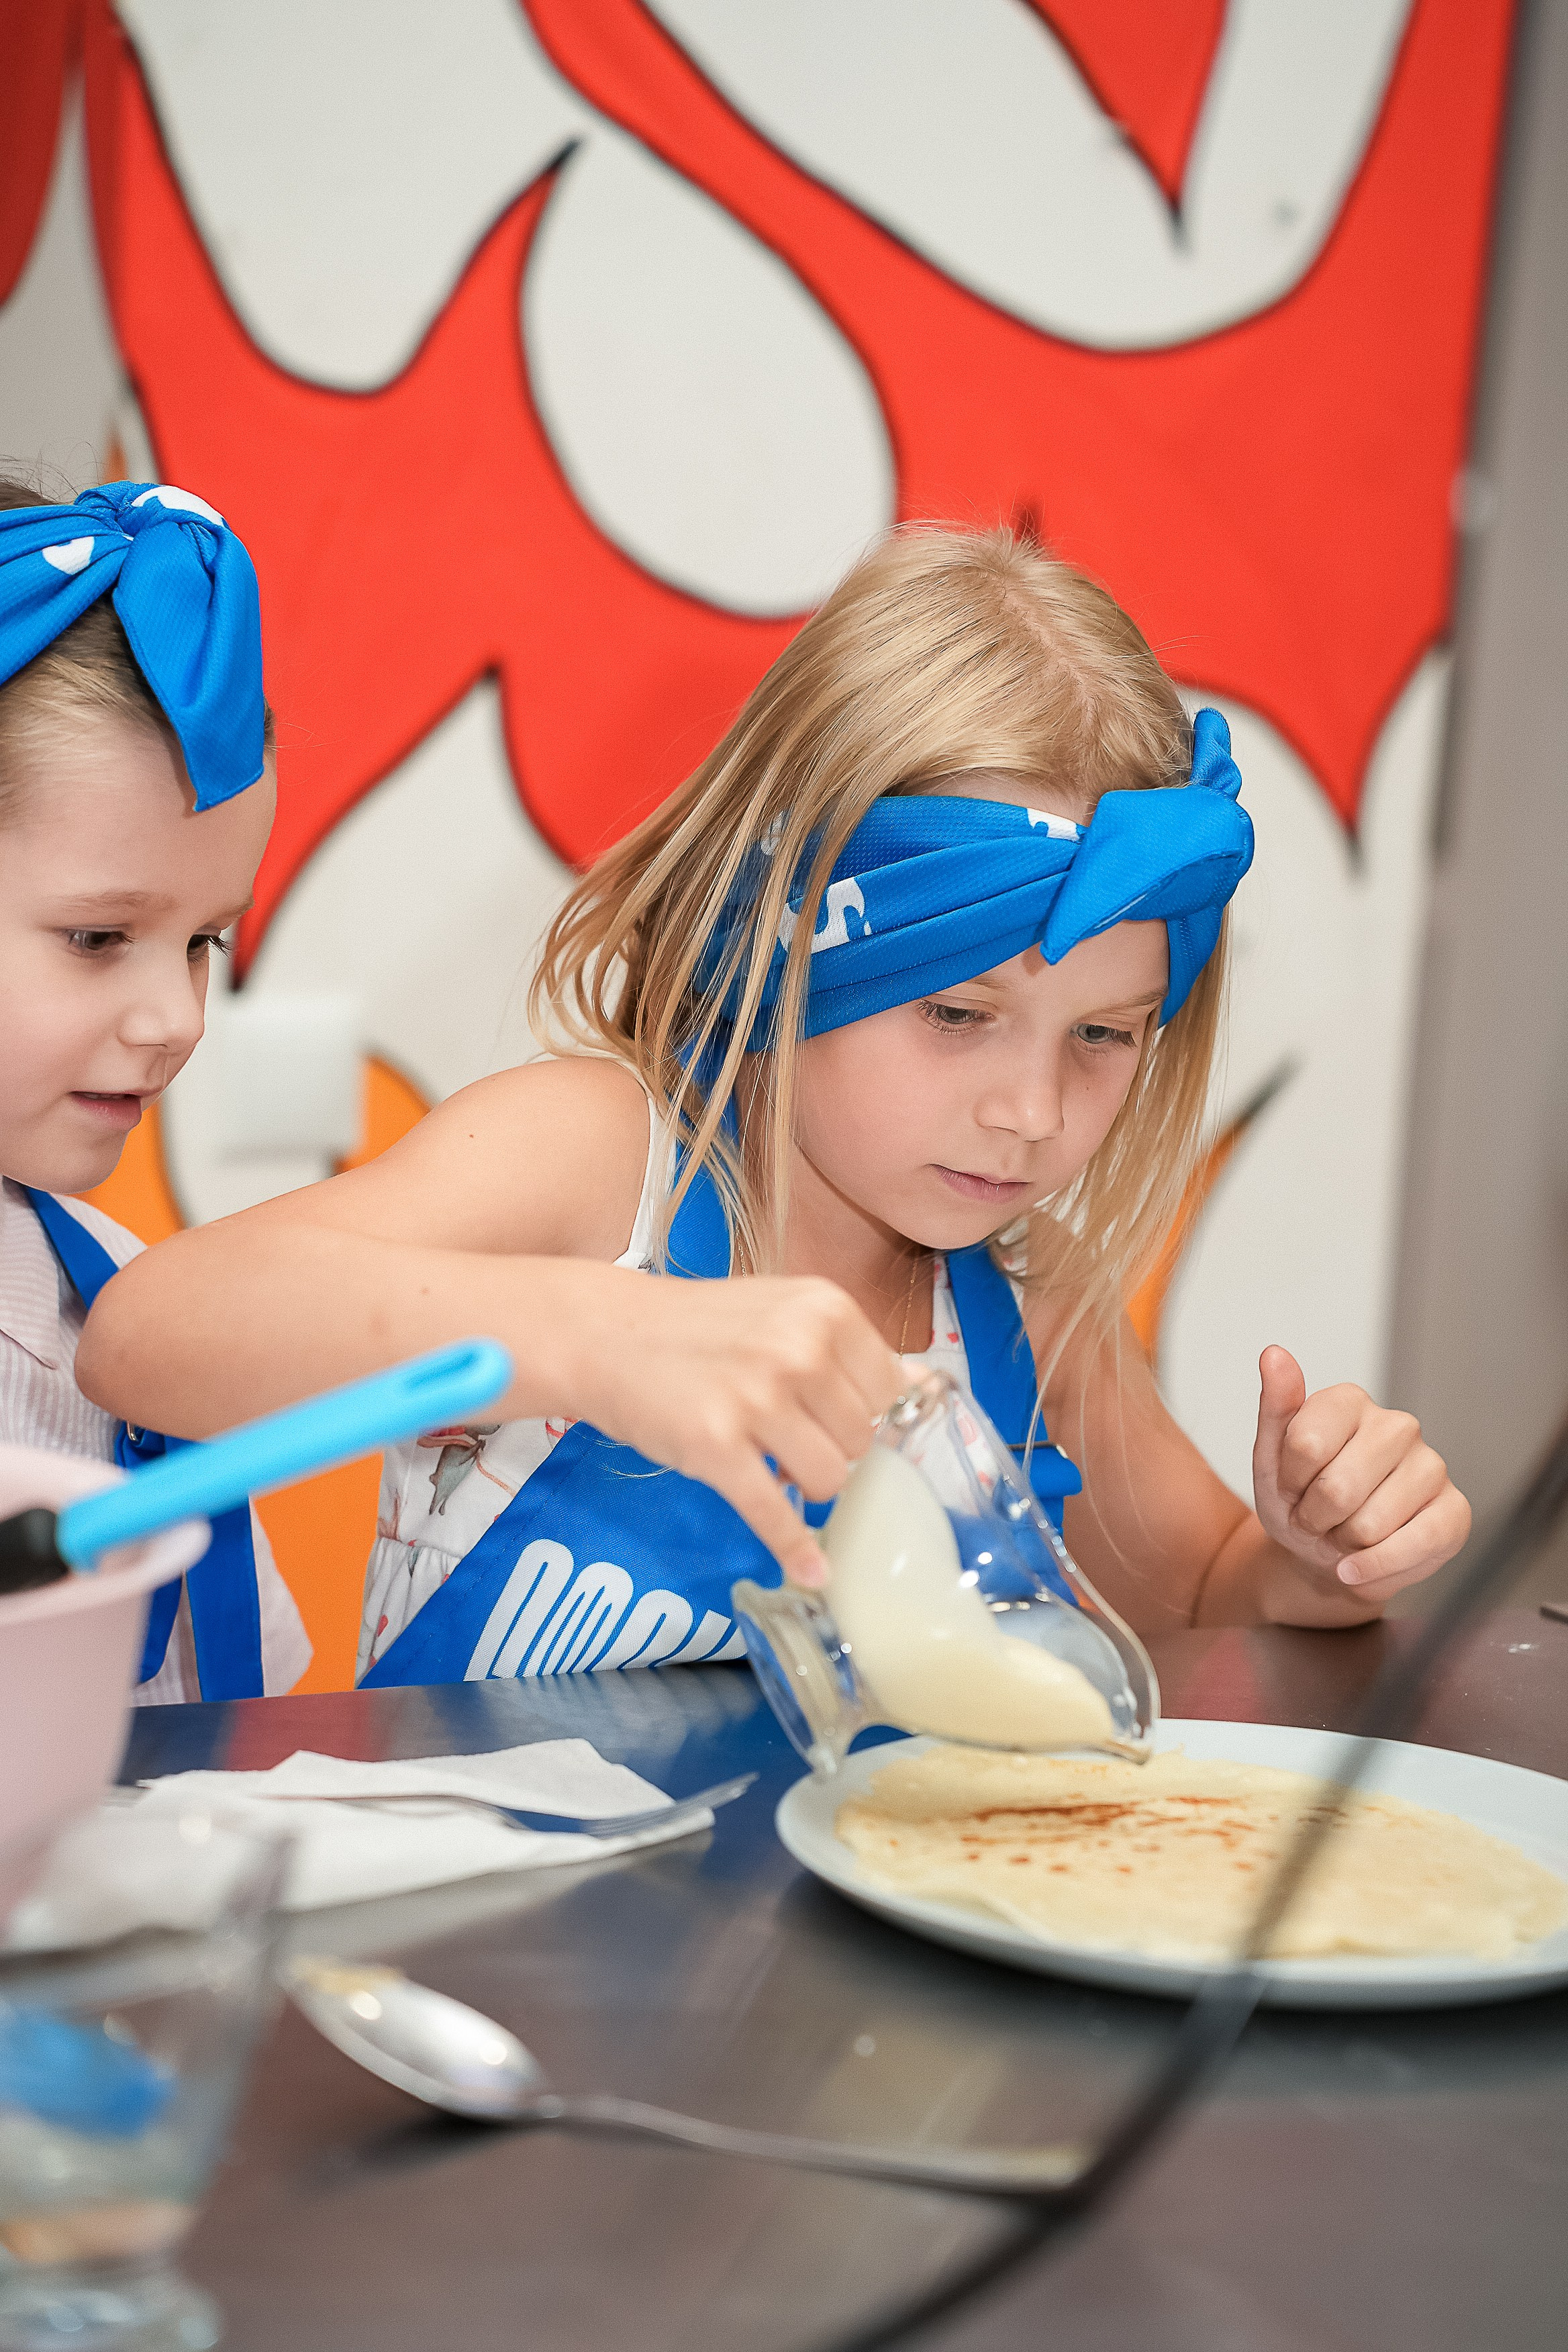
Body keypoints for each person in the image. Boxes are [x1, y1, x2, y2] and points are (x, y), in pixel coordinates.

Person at [77, 528, 1469, 1687]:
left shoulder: (1020, 1333)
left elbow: (1212, 1595)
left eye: (1102, 1036)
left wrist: (1320, 1550)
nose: (1032, 1112)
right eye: (957, 1016)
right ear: (779, 946)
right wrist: (597, 1333)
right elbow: (150, 1338)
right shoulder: (597, 1167)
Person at [0, 473, 309, 1700]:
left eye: (204, 943)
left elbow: (260, 1705)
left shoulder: (130, 1318)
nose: (178, 1018)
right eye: (96, 938)